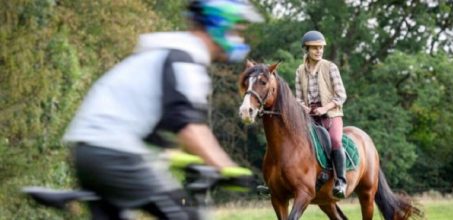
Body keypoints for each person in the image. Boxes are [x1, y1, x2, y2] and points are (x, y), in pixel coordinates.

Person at [62, 0, 263, 219]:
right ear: (218, 25)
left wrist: (173, 152)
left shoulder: (162, 53)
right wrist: (224, 166)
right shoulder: (184, 59)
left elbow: (152, 115)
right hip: (115, 153)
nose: (239, 39)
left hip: (86, 151)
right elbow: (188, 126)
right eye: (235, 31)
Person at [294, 30, 348, 199]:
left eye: (321, 48)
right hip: (309, 116)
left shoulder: (330, 67)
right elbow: (298, 98)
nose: (319, 51)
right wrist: (304, 107)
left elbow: (341, 95)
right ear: (307, 50)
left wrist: (324, 109)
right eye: (315, 48)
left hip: (331, 113)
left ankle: (341, 181)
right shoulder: (300, 70)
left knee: (335, 140)